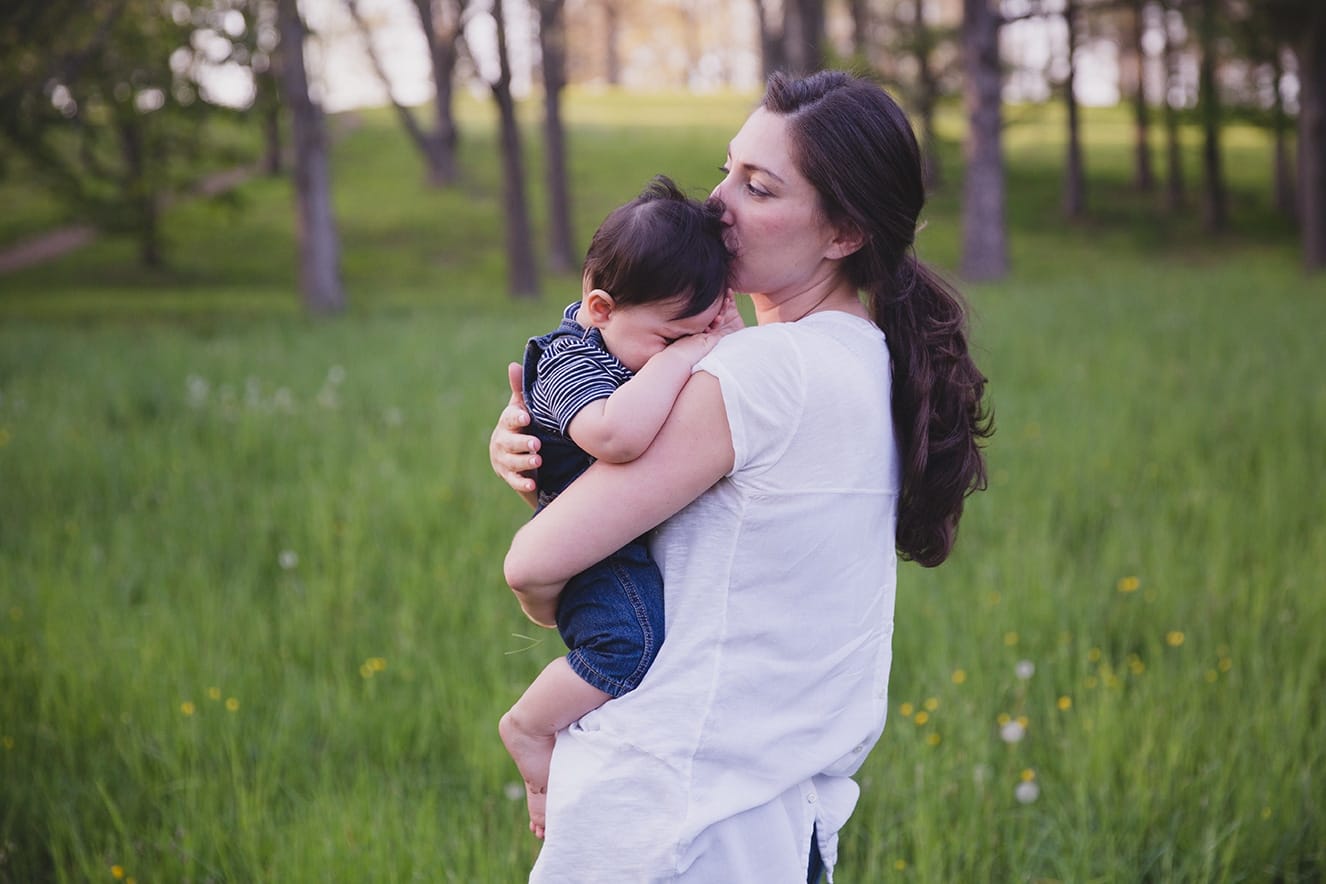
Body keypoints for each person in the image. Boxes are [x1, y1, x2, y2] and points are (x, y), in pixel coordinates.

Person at [491, 70, 992, 883]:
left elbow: (535, 561)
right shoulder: (862, 359)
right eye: (727, 168)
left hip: (670, 820)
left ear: (842, 234)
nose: (719, 202)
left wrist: (553, 590)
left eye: (758, 188)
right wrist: (541, 448)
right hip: (771, 821)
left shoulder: (758, 374)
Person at [499, 176, 740, 840]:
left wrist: (695, 340)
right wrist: (688, 355)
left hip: (614, 540)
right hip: (594, 555)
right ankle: (528, 724)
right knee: (627, 646)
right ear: (600, 307)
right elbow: (616, 435)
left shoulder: (627, 334)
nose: (687, 351)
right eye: (668, 339)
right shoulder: (572, 358)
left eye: (696, 333)